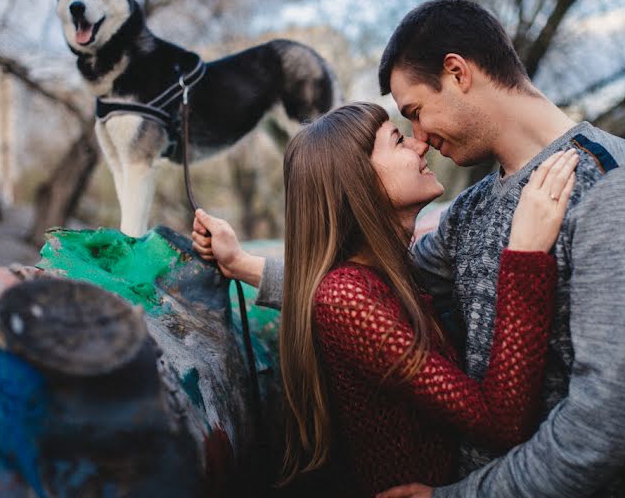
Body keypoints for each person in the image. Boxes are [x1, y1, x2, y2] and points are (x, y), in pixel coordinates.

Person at [201, 0, 625, 498]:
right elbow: (374, 289)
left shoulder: (618, 189)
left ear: (457, 73)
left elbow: (615, 421)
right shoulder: (472, 208)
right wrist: (243, 264)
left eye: (415, 112)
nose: (419, 138)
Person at [193, 101, 579, 497]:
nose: (419, 146)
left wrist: (241, 263)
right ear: (361, 180)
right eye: (398, 140)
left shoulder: (382, 273)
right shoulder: (348, 296)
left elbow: (319, 284)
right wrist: (526, 257)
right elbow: (501, 422)